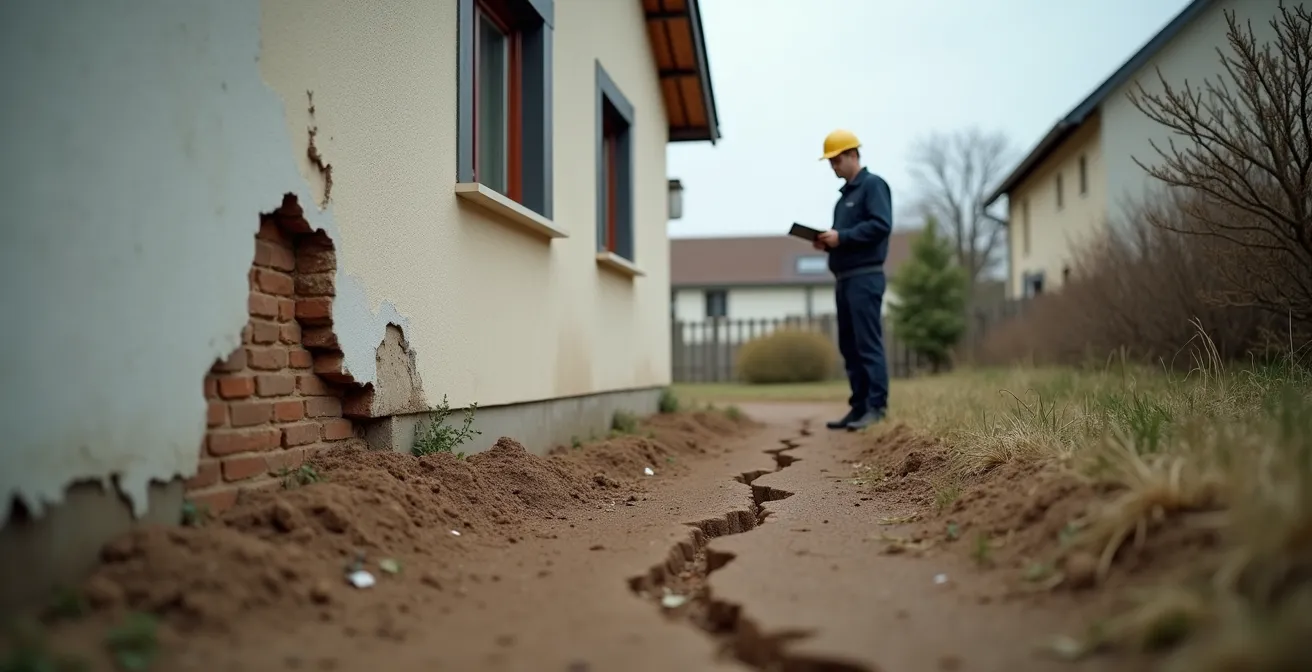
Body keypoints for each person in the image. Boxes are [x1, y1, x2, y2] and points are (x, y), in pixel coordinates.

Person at [813, 129, 892, 431]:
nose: (833, 166)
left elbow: (881, 225)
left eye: (837, 160)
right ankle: (859, 407)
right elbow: (844, 238)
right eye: (830, 162)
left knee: (868, 343)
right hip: (844, 279)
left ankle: (876, 407)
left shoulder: (873, 186)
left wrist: (842, 236)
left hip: (865, 277)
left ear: (853, 155)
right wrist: (828, 241)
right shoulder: (842, 199)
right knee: (850, 345)